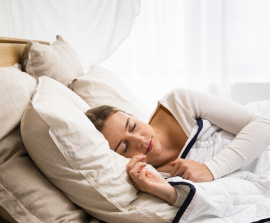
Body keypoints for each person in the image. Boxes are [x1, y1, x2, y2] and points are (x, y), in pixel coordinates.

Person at [85, 88, 270, 205]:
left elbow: (262, 124)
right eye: (124, 147)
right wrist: (171, 194)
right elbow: (218, 200)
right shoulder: (149, 176)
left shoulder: (179, 103)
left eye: (133, 126)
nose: (140, 140)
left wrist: (210, 169)